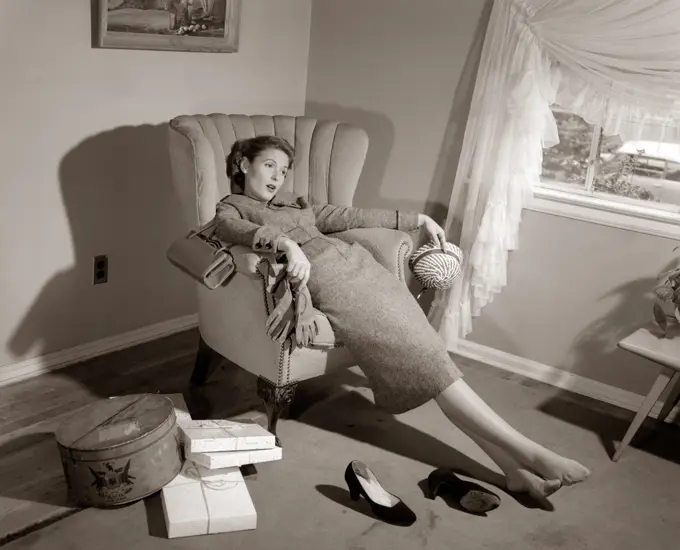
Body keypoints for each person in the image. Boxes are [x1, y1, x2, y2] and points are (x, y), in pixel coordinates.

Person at [210, 135, 590, 501]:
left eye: (283, 169)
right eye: (269, 166)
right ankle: (530, 452)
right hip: (339, 287)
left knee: (432, 361)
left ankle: (515, 471)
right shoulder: (232, 208)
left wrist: (418, 218)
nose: (277, 176)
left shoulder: (297, 204)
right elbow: (232, 230)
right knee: (432, 365)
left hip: (369, 273)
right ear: (244, 165)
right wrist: (285, 243)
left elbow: (348, 216)